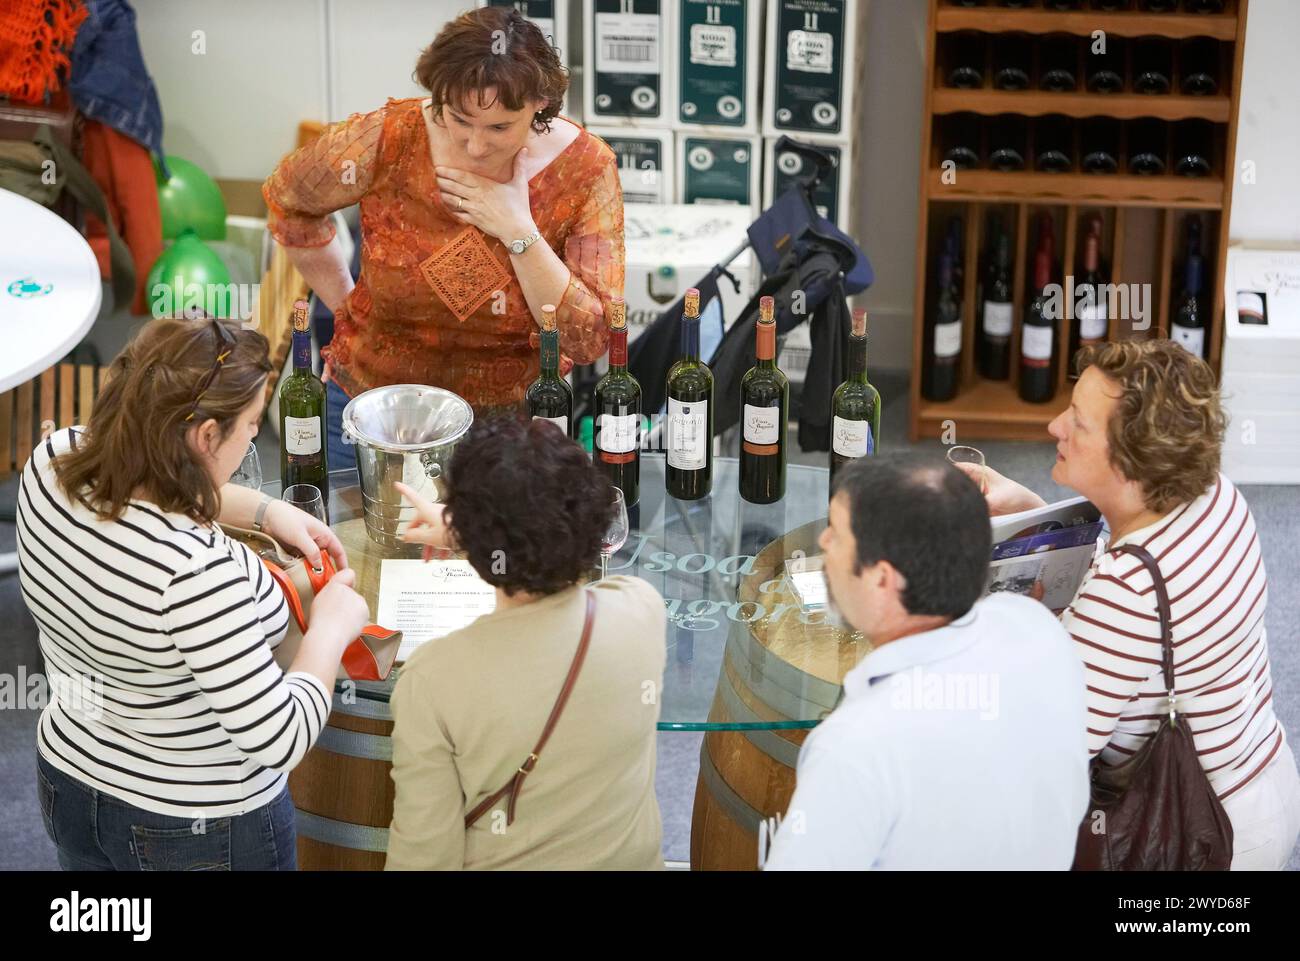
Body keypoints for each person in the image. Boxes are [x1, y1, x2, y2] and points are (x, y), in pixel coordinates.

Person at [17, 317, 370, 871]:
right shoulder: (195, 571)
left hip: (71, 778)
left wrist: (265, 509)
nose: (258, 434)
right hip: (195, 827)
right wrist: (330, 626)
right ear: (206, 436)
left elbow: (148, 473)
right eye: (252, 424)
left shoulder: (53, 463)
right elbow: (278, 736)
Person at [961, 339, 1300, 870]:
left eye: (1078, 422)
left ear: (1130, 464)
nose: (1054, 428)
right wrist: (1035, 513)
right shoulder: (1215, 493)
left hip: (1193, 833)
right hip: (1263, 778)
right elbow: (1135, 564)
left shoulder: (1123, 594)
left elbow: (1050, 758)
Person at [261, 7, 624, 469]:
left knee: (491, 543)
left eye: (499, 127)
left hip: (507, 428)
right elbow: (290, 201)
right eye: (458, 119)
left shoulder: (584, 168)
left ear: (539, 104)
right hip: (376, 403)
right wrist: (345, 308)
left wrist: (518, 230)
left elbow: (589, 336)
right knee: (354, 538)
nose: (475, 145)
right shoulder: (391, 137)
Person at [764, 457, 1090, 870]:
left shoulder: (854, 746)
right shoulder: (1039, 630)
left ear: (882, 578)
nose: (824, 543)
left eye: (837, 535)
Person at [384, 417, 665, 870]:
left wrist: (473, 536)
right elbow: (566, 561)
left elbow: (425, 857)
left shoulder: (432, 680)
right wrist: (476, 534)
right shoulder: (642, 611)